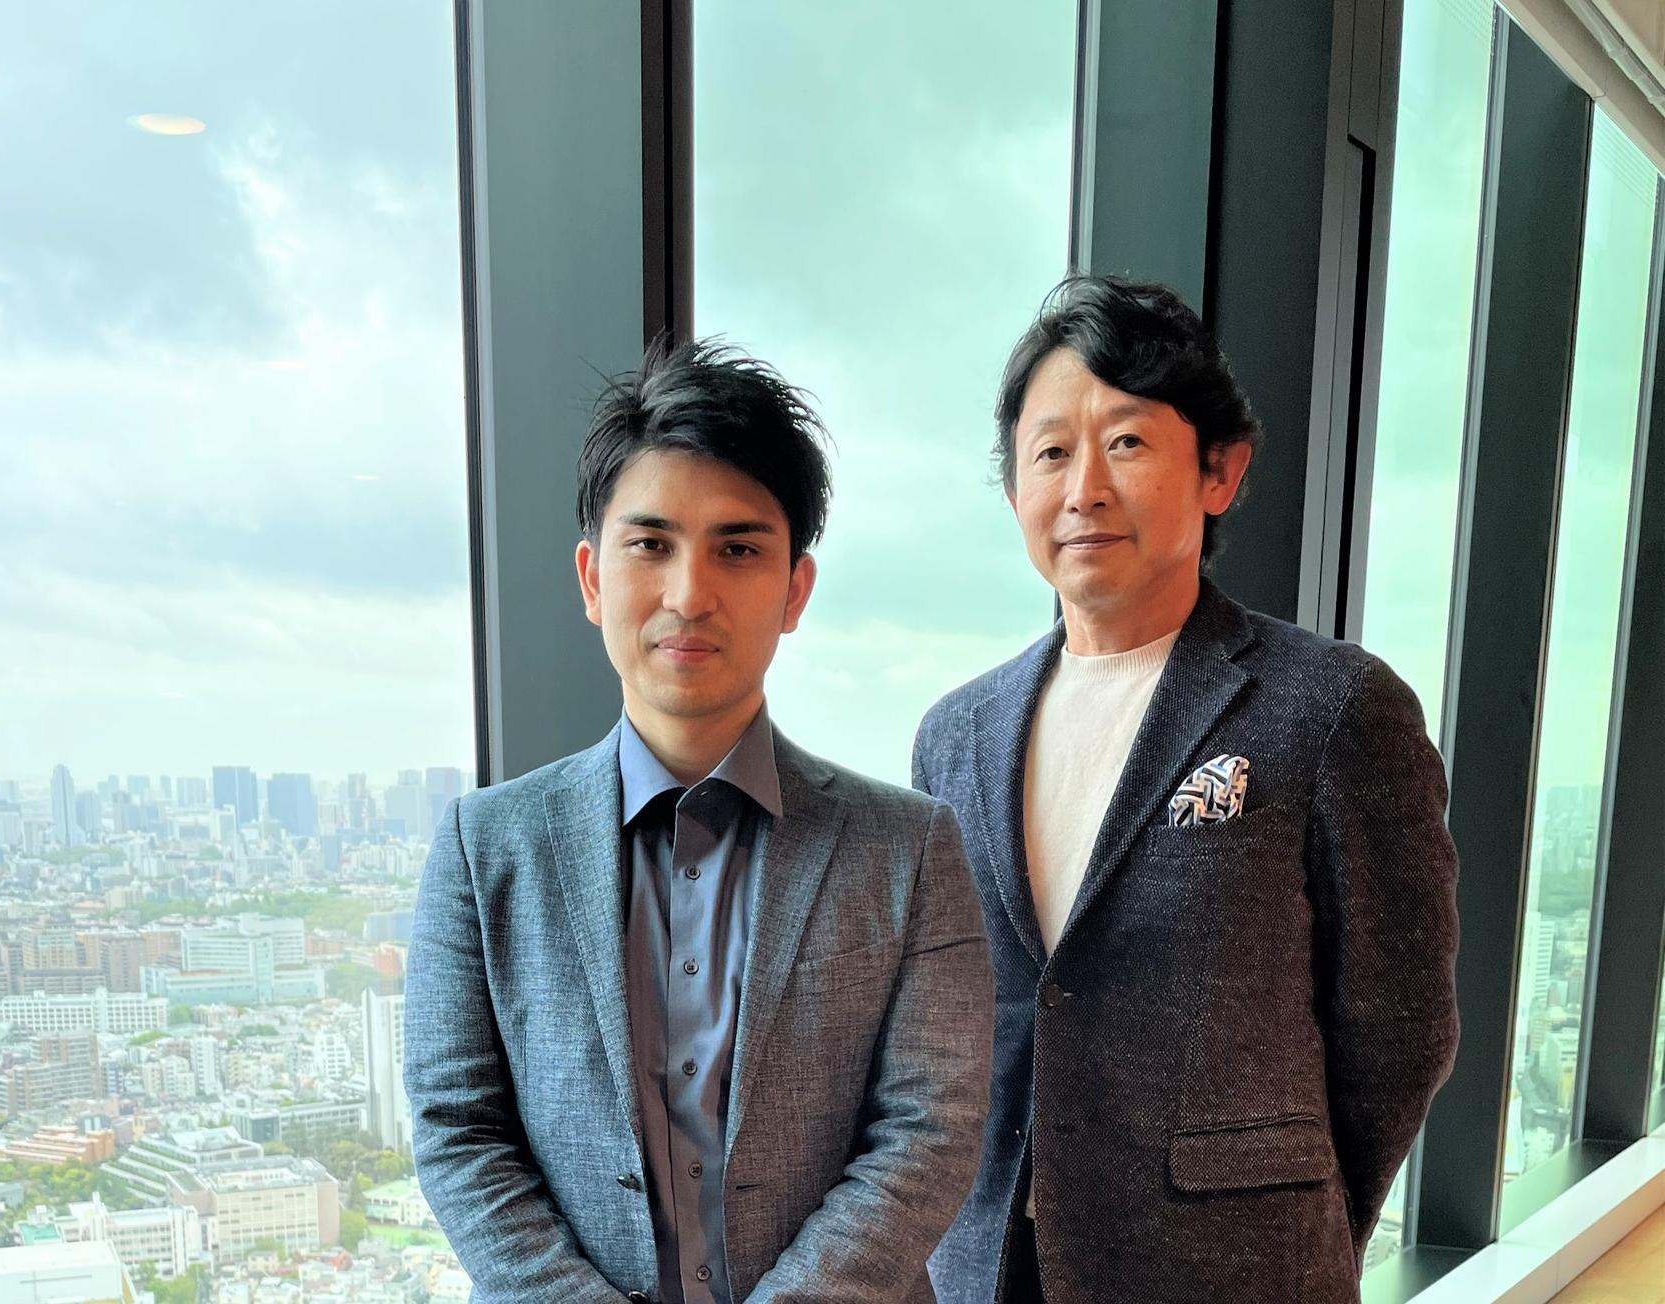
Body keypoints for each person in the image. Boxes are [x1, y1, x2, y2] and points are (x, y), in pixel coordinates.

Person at [406, 339, 994, 1303]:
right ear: (593, 579)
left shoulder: (910, 848)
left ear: (794, 590)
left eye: (738, 548)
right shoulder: (485, 850)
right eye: (651, 545)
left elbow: (930, 1130)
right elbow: (458, 1130)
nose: (689, 594)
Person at [915, 276, 1460, 1303]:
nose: (1083, 488)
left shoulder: (1332, 707)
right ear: (1014, 490)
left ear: (1219, 470)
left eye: (1125, 441)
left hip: (1231, 1267)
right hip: (990, 1263)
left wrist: (1296, 1217)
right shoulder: (955, 734)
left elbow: (1401, 1027)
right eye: (1049, 453)